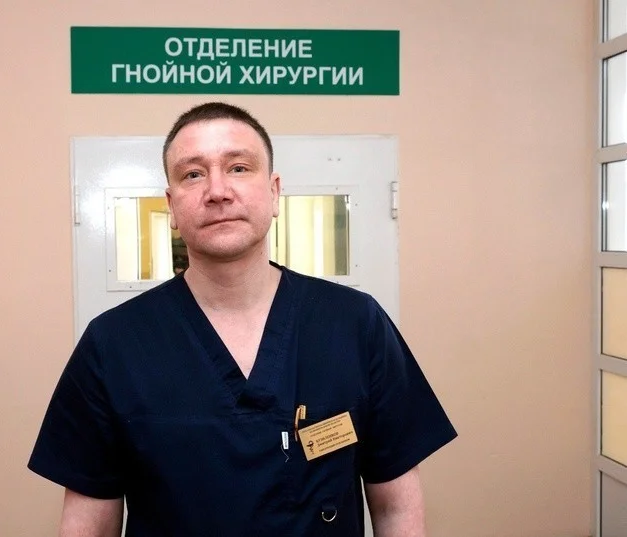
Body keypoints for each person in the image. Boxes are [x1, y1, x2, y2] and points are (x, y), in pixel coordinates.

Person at [28, 102, 457, 537]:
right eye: (193, 174)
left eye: (238, 168)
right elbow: (88, 526)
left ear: (274, 192)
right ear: (171, 206)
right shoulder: (113, 343)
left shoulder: (355, 324)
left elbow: (396, 510)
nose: (217, 191)